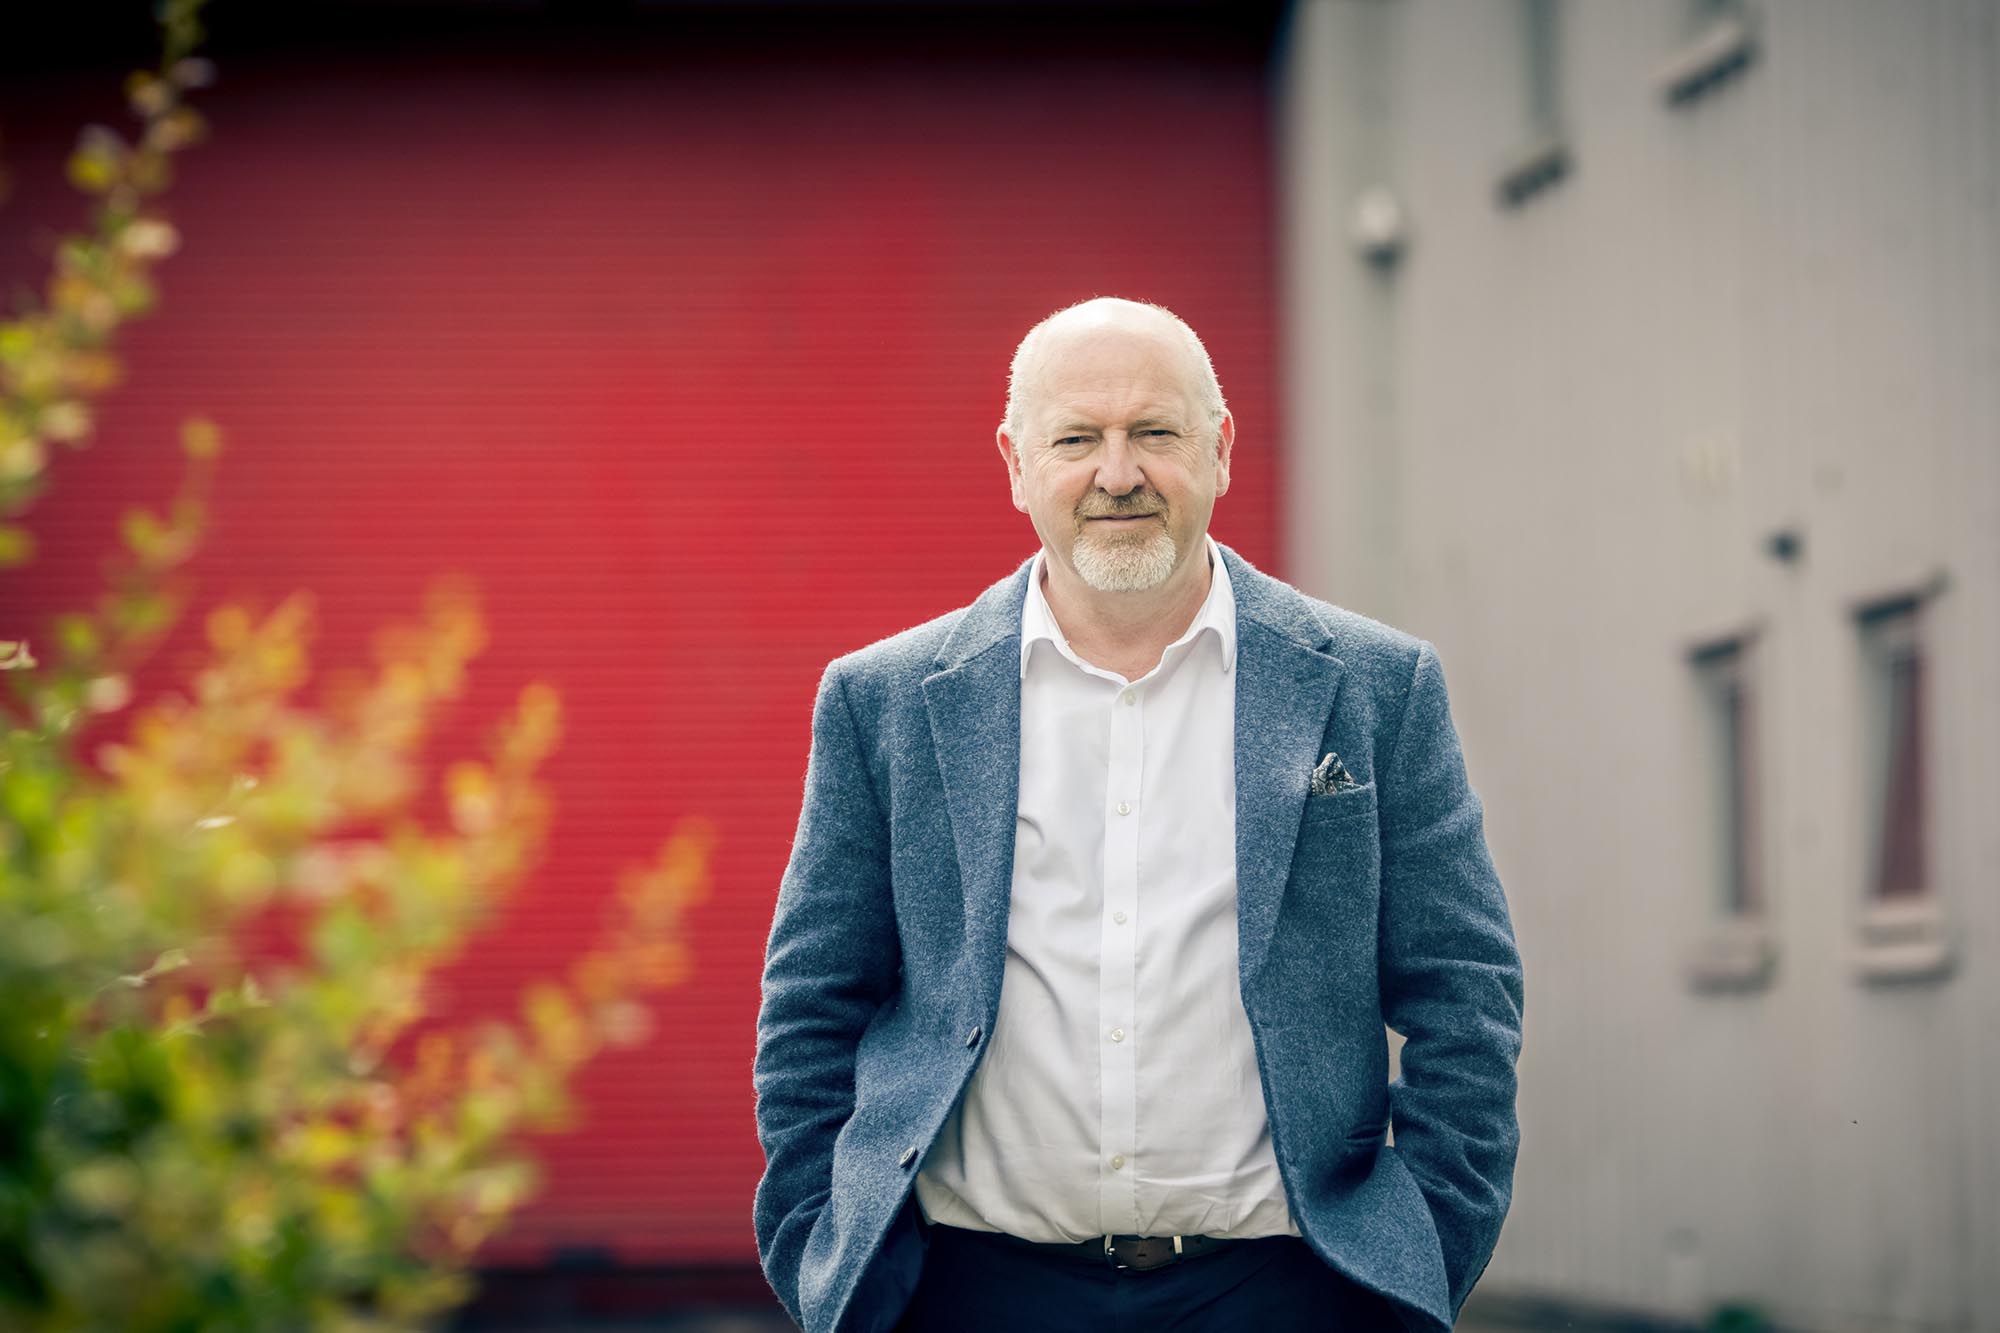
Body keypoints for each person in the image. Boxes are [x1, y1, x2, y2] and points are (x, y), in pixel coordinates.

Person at [752, 297, 1523, 1333]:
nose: (1117, 473)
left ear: (1219, 448)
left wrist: (1423, 1241)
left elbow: (1461, 989)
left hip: (1286, 1292)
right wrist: (821, 1242)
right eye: (1077, 439)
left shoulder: (1376, 688)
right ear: (1016, 463)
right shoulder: (882, 701)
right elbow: (812, 1000)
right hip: (970, 1294)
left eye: (1152, 433)